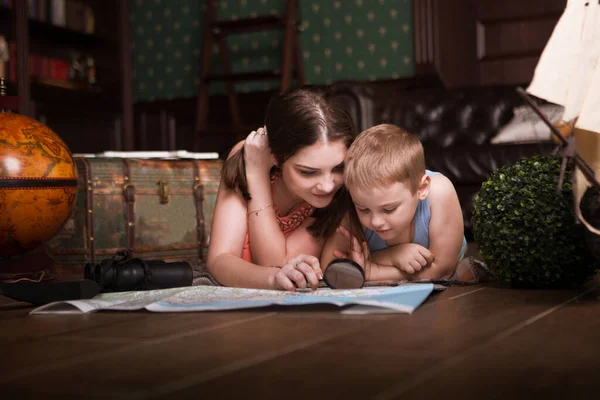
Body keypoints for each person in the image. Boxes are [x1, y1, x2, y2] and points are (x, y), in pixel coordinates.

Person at [207, 87, 357, 291]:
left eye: (339, 167)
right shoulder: (249, 156)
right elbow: (219, 259)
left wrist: (256, 175)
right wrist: (256, 173)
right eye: (308, 172)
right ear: (275, 157)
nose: (328, 185)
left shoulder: (341, 195)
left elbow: (274, 262)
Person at [322, 123, 467, 281]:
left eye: (389, 209)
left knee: (460, 272)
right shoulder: (357, 198)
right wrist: (391, 255)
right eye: (363, 209)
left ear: (422, 188)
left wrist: (373, 271)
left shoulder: (439, 192)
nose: (376, 221)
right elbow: (330, 267)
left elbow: (442, 271)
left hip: (450, 266)